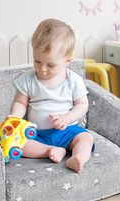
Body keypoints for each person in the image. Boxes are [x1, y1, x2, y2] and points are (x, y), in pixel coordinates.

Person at [10, 18, 94, 173]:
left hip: (68, 131)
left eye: (51, 65)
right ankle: (50, 150)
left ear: (67, 61)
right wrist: (15, 116)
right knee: (19, 143)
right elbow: (20, 103)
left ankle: (78, 158)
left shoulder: (73, 80)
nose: (42, 69)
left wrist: (67, 118)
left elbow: (82, 105)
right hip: (37, 134)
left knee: (86, 139)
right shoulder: (28, 79)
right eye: (37, 61)